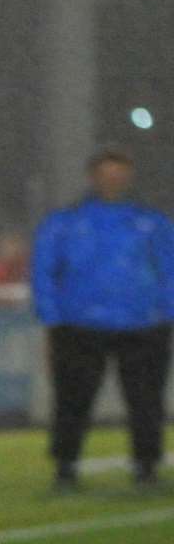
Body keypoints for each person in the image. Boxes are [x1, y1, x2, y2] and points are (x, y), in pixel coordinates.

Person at [31, 148, 174, 490]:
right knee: (73, 400)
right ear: (93, 177)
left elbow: (169, 269)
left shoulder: (151, 223)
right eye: (107, 174)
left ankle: (146, 467)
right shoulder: (65, 223)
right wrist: (52, 317)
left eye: (120, 174)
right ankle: (65, 468)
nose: (114, 180)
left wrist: (166, 313)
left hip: (143, 325)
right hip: (79, 325)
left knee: (145, 402)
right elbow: (44, 270)